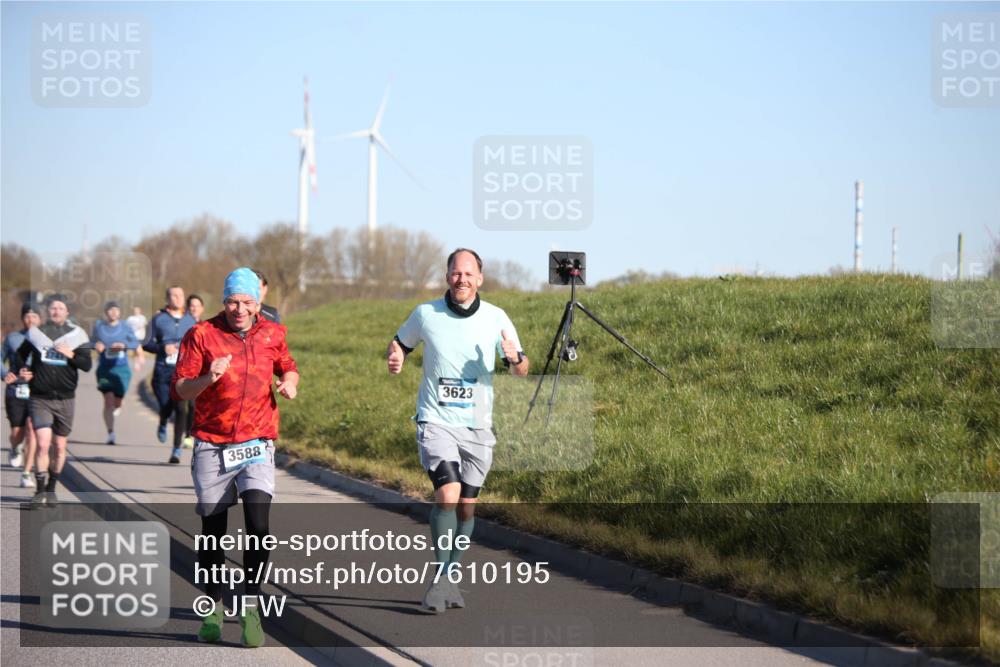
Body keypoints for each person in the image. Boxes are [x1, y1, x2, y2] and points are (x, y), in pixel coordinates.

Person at [387, 248, 528, 613]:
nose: (461, 279)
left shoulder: (497, 318)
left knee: (467, 507)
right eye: (455, 272)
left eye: (468, 273)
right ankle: (441, 579)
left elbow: (521, 368)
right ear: (447, 276)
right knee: (447, 494)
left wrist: (515, 359)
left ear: (479, 278)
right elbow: (400, 342)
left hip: (478, 424)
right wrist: (397, 356)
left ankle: (450, 576)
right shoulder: (426, 313)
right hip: (435, 420)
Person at [173, 267, 299, 647]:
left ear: (258, 302)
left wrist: (290, 382)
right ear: (223, 300)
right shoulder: (201, 334)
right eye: (232, 301)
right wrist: (207, 378)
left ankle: (250, 604)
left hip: (257, 443)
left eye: (246, 302)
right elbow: (180, 388)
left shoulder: (273, 333)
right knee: (213, 533)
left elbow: (288, 366)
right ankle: (213, 604)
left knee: (258, 527)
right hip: (212, 443)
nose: (239, 309)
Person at [14, 294, 93, 507]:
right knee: (42, 443)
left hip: (66, 398)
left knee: (59, 446)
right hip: (40, 397)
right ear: (48, 311)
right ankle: (39, 492)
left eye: (60, 308)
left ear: (67, 312)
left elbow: (86, 365)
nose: (56, 311)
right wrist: (24, 371)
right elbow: (19, 355)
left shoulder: (78, 335)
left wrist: (70, 354)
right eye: (53, 308)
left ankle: (52, 489)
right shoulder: (37, 333)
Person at [143, 286, 196, 463]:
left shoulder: (191, 320)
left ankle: (176, 449)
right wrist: (162, 348)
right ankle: (163, 420)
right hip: (162, 373)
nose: (178, 298)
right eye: (174, 295)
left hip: (183, 373)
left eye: (180, 295)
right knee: (166, 405)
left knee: (181, 408)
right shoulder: (158, 319)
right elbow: (146, 344)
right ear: (167, 298)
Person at [3, 302, 41, 488]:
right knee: (17, 433)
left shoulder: (45, 339)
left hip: (37, 392)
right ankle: (15, 447)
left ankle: (27, 473)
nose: (30, 320)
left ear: (40, 319)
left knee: (32, 430)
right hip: (15, 391)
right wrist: (5, 374)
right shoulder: (12, 338)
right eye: (27, 316)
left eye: (34, 316)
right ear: (22, 318)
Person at [92, 301, 140, 444]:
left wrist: (124, 345)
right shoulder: (99, 326)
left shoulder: (125, 327)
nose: (113, 312)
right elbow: (90, 341)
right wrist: (96, 345)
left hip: (122, 369)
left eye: (116, 310)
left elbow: (135, 343)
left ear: (119, 312)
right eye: (110, 310)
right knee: (108, 401)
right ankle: (110, 433)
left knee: (117, 402)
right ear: (106, 312)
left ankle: (119, 404)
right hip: (105, 369)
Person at [181, 294, 206, 449]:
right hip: (182, 370)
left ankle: (190, 435)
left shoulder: (206, 326)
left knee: (193, 405)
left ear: (202, 308)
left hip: (200, 372)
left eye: (197, 306)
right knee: (179, 405)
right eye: (191, 306)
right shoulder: (182, 325)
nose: (194, 308)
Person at [126, 305, 147, 371]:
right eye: (135, 310)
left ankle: (138, 363)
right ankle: (140, 360)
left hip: (141, 336)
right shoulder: (130, 318)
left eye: (137, 310)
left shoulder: (142, 317)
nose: (136, 311)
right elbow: (126, 327)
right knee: (137, 350)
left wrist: (138, 326)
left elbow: (143, 325)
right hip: (133, 337)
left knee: (137, 351)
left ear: (140, 311)